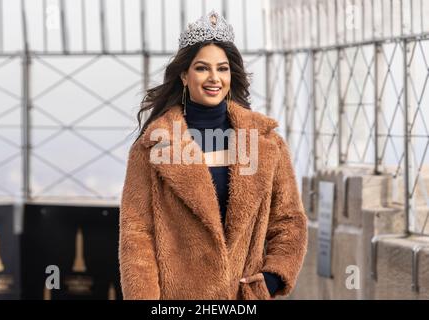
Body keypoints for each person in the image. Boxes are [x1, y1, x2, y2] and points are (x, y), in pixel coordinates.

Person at [119, 10, 307, 300]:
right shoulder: (152, 148)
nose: (213, 78)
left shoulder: (266, 143)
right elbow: (137, 235)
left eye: (222, 69)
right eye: (202, 68)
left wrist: (270, 279)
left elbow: (289, 220)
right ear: (184, 74)